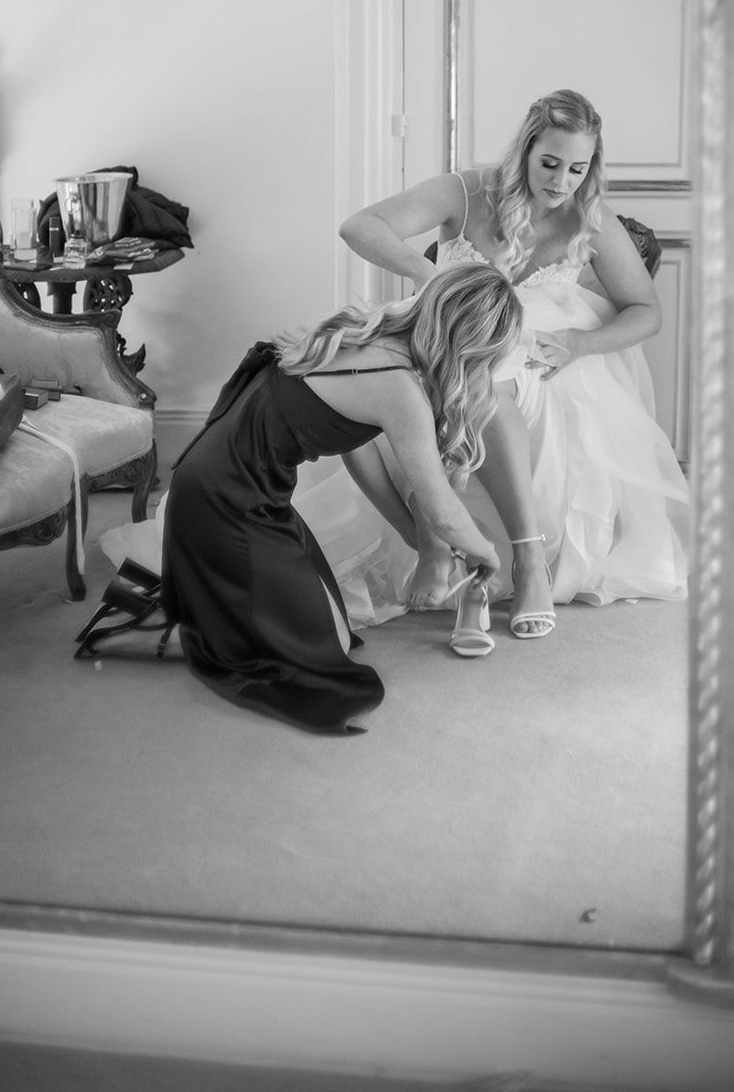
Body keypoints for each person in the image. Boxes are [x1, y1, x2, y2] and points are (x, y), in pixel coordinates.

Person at [76, 263, 522, 735]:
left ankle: (197, 615)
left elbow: (357, 454)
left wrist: (412, 535)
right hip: (228, 505)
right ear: (470, 346)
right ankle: (159, 630)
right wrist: (489, 553)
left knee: (332, 632)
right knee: (318, 661)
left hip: (234, 490)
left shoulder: (362, 334)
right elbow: (443, 511)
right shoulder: (399, 388)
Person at [330, 89, 689, 636]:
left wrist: (579, 343)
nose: (561, 181)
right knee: (346, 380)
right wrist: (434, 278)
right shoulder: (466, 191)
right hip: (450, 328)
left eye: (577, 169)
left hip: (536, 346)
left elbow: (646, 312)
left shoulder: (589, 218)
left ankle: (527, 559)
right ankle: (424, 537)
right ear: (525, 149)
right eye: (550, 163)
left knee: (489, 376)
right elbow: (359, 226)